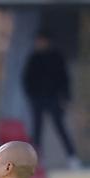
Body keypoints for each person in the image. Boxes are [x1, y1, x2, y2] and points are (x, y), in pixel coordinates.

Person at [22, 32, 80, 169]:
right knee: (37, 131)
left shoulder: (56, 57)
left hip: (53, 98)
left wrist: (66, 96)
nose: (40, 43)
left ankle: (72, 158)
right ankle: (35, 160)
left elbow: (64, 78)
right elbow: (27, 79)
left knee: (61, 128)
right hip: (37, 99)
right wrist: (31, 96)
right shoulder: (33, 58)